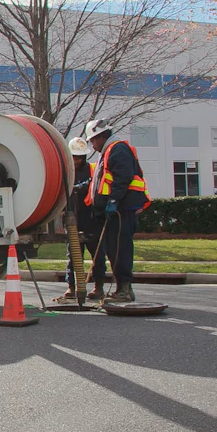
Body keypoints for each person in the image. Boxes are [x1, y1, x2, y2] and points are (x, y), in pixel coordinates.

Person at [84, 118, 151, 304]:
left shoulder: (117, 149)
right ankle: (122, 288)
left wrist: (113, 201)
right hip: (114, 210)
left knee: (120, 250)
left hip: (121, 210)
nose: (92, 145)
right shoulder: (108, 152)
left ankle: (124, 288)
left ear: (99, 137)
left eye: (92, 141)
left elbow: (123, 178)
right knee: (114, 249)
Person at [53, 137, 101, 303]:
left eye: (79, 157)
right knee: (73, 255)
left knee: (97, 254)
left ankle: (98, 286)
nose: (75, 160)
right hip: (72, 219)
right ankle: (71, 287)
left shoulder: (93, 170)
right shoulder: (65, 172)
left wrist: (78, 188)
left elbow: (94, 186)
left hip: (91, 219)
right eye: (73, 157)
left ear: (84, 157)